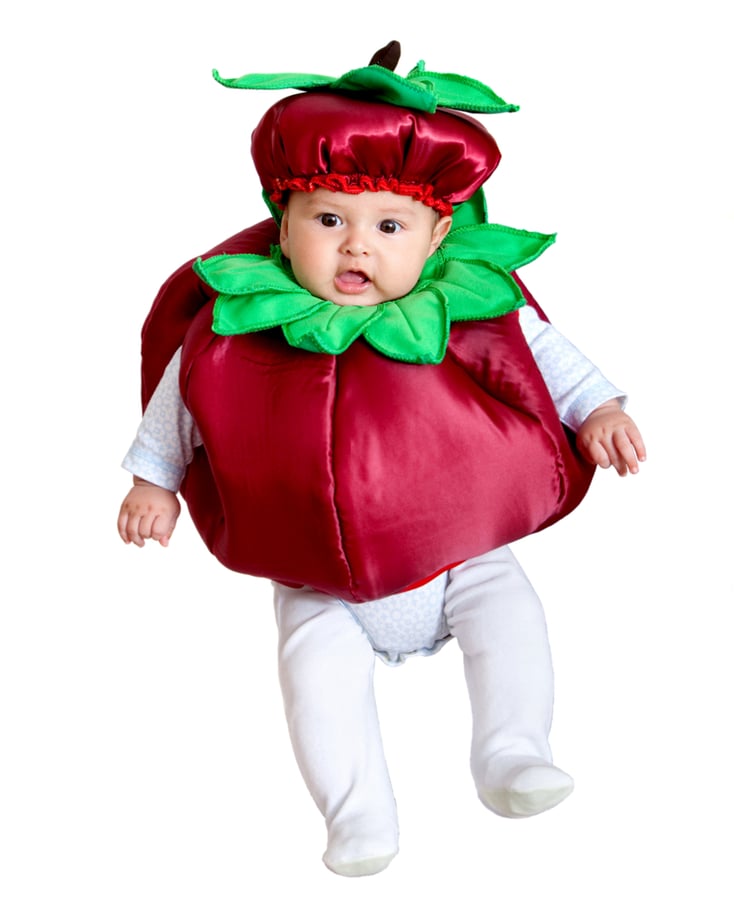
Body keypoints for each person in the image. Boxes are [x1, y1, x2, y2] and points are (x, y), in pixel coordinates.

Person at [118, 46, 645, 877]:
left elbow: (546, 357)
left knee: (510, 618)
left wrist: (602, 409)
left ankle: (512, 752)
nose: (356, 247)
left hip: (459, 556)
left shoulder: (463, 308)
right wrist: (154, 481)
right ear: (282, 222)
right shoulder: (233, 326)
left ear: (437, 235)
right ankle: (356, 811)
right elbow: (177, 404)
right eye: (329, 221)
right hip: (316, 577)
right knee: (315, 674)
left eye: (388, 228)